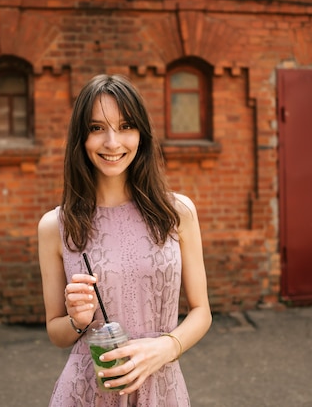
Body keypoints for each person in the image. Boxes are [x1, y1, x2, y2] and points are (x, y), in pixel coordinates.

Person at [38, 74, 212, 406]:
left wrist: (167, 347)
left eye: (125, 126)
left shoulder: (177, 212)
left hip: (161, 390)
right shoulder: (55, 226)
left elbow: (202, 311)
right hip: (88, 393)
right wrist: (77, 320)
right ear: (81, 138)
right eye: (96, 128)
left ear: (142, 135)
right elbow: (56, 332)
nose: (113, 143)